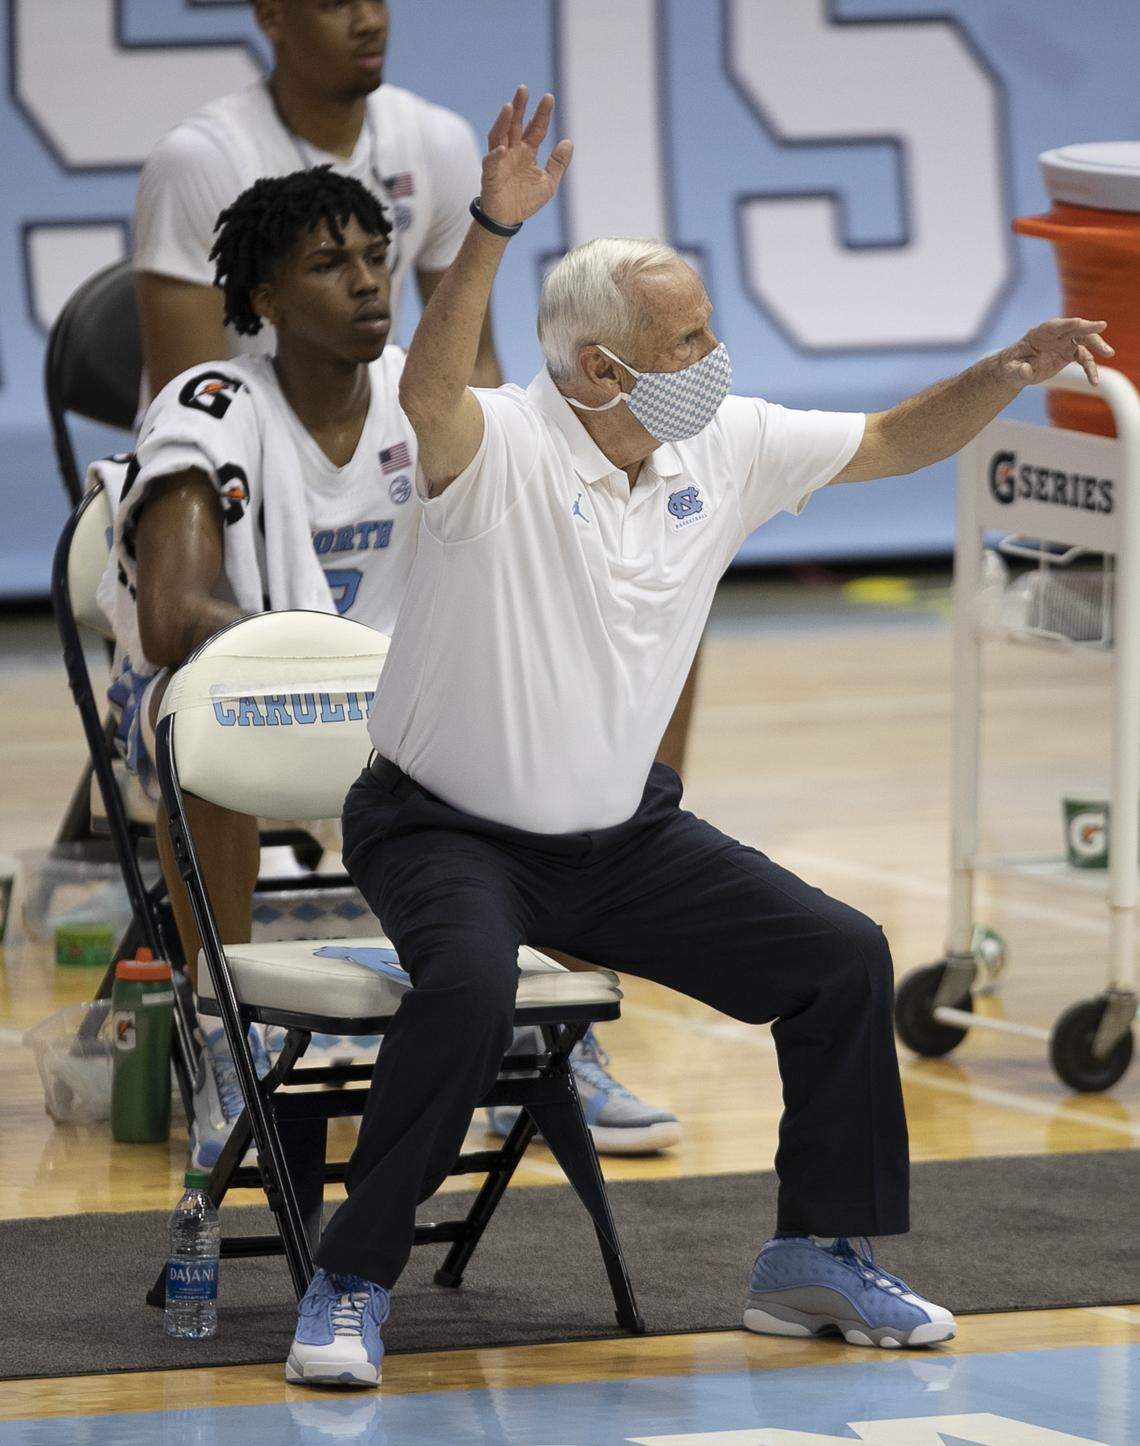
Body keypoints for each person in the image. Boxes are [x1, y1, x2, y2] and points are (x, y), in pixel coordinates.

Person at [283, 86, 1113, 1388]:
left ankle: (813, 1260)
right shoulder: (496, 444)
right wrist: (493, 224)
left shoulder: (721, 444)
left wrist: (1003, 375)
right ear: (600, 367)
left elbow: (893, 438)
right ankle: (348, 1277)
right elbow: (434, 381)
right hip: (445, 826)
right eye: (690, 338)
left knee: (839, 957)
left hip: (620, 837)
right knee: (472, 984)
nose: (718, 357)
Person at [105, 167, 674, 1169]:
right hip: (238, 691)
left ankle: (543, 1040)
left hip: (401, 700)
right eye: (330, 264)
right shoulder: (208, 407)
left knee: (581, 730)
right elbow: (170, 617)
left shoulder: (429, 392)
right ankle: (224, 1033)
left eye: (376, 257)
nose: (369, 282)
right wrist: (328, 661)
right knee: (205, 732)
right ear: (265, 300)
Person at [133, 0, 501, 398]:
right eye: (336, 5)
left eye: (377, 0)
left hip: (364, 436)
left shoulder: (437, 141)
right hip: (231, 442)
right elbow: (188, 404)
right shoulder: (198, 163)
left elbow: (475, 370)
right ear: (272, 17)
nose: (370, 22)